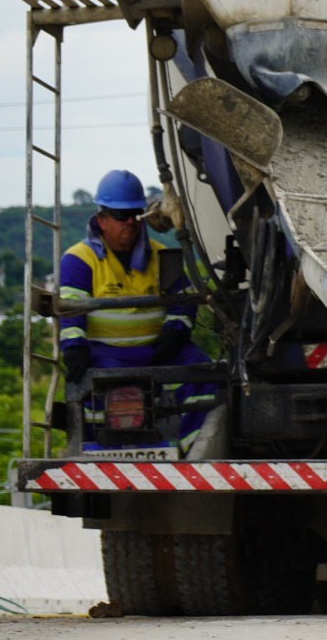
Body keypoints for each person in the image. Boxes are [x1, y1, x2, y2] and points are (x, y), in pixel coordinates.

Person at [58, 170, 215, 453]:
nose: (130, 222)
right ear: (102, 219)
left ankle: (195, 452)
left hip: (158, 350)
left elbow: (184, 303)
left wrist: (174, 332)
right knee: (110, 389)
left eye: (135, 214)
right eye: (121, 216)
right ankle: (116, 455)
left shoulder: (161, 255)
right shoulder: (79, 260)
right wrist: (75, 349)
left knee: (201, 372)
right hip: (107, 354)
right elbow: (71, 312)